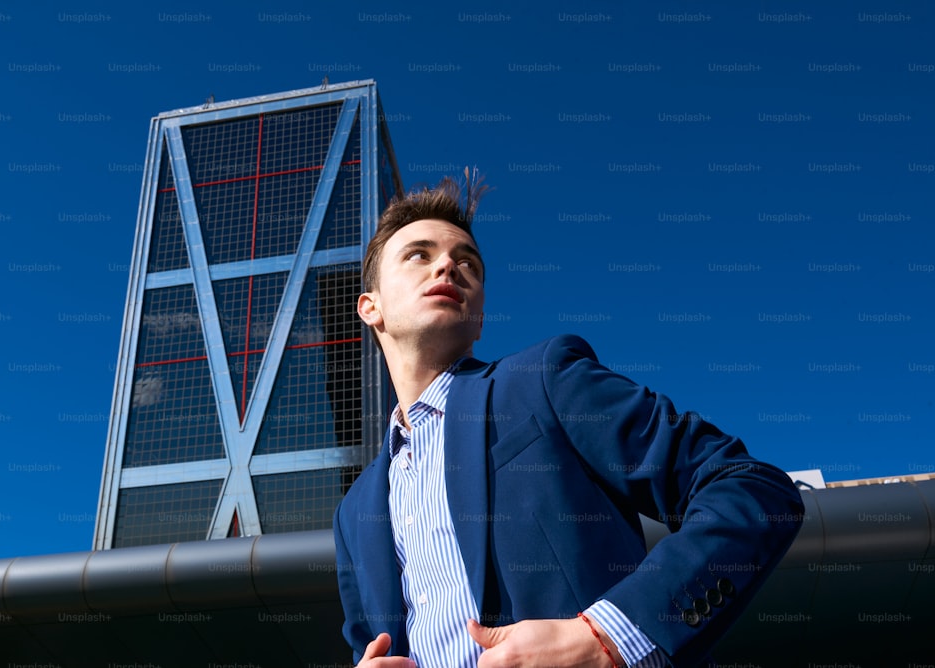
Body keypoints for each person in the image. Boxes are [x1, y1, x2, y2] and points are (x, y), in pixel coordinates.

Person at [333, 172, 804, 667]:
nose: (449, 264)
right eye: (419, 255)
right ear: (371, 307)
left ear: (481, 319)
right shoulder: (354, 512)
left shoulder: (544, 380)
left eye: (467, 261)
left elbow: (751, 489)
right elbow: (366, 646)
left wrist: (607, 637)